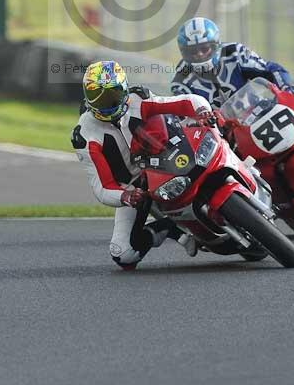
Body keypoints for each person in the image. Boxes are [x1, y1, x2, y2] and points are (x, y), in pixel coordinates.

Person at [71, 60, 213, 270]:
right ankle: (167, 228)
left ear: (125, 88)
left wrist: (202, 111)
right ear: (86, 95)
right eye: (98, 96)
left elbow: (184, 102)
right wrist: (126, 196)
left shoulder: (138, 99)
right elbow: (102, 186)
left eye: (113, 94)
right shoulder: (84, 135)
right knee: (123, 254)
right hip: (136, 185)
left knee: (216, 130)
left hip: (169, 155)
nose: (107, 102)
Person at [171, 17, 294, 109]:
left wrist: (286, 86)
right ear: (184, 52)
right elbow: (183, 112)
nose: (199, 54)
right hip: (220, 135)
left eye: (204, 48)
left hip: (256, 114)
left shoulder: (235, 53)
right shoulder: (181, 78)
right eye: (193, 51)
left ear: (215, 45)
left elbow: (271, 69)